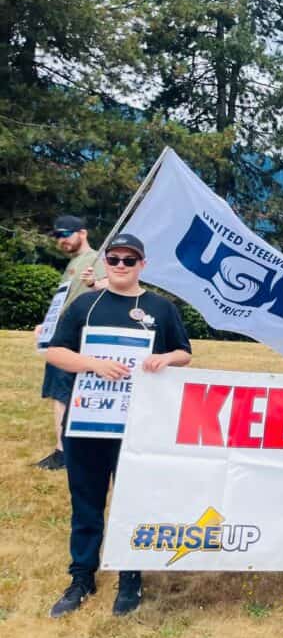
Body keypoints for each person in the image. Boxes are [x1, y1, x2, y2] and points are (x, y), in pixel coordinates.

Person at [45, 233, 192, 617]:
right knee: (87, 502)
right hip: (88, 421)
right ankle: (81, 576)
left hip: (138, 425)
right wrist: (94, 364)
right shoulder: (86, 305)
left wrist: (166, 360)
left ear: (143, 264)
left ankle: (130, 575)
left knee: (134, 500)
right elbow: (57, 351)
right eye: (115, 260)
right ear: (106, 262)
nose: (122, 266)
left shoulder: (160, 308)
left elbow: (185, 352)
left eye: (130, 260)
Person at [34, 215, 107, 470]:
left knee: (61, 391)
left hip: (76, 337)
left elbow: (113, 284)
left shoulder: (94, 259)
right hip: (62, 333)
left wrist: (95, 282)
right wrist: (47, 325)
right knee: (61, 390)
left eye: (65, 234)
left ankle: (63, 452)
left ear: (82, 233)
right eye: (57, 236)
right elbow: (64, 302)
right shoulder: (75, 263)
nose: (61, 240)